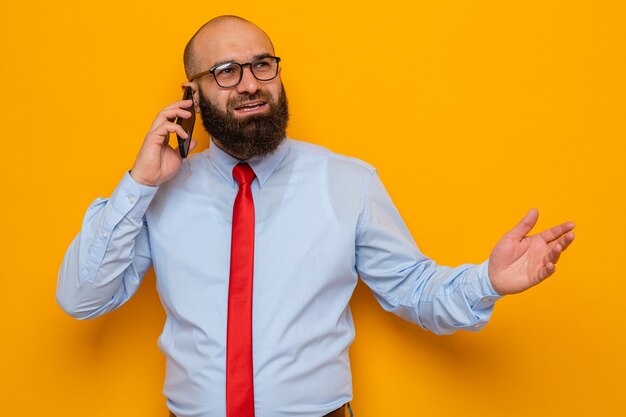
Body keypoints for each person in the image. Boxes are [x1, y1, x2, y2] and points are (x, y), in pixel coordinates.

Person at [56, 15, 576, 417]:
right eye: (226, 71)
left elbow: (414, 289)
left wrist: (488, 280)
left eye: (263, 64)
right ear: (191, 94)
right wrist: (139, 184)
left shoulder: (347, 182)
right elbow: (81, 299)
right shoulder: (160, 194)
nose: (250, 83)